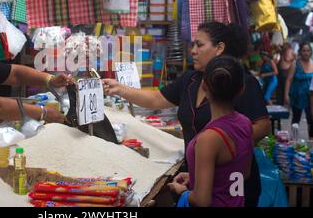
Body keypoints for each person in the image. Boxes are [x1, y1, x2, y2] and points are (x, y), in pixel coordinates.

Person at [103, 22, 270, 207]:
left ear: (219, 48)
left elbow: (262, 127)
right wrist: (120, 89)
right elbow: (157, 98)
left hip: (233, 187)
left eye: (199, 45)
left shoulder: (240, 81)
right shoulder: (191, 79)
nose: (193, 51)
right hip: (202, 179)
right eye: (192, 45)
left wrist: (220, 149)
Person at [168, 56, 253, 207]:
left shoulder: (209, 139)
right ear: (242, 90)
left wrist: (182, 191)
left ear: (204, 87)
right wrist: (196, 176)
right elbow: (242, 173)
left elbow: (202, 201)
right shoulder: (246, 123)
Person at [285, 42, 313, 138]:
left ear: (311, 52)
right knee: (296, 119)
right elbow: (289, 80)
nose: (306, 53)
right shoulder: (295, 64)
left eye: (308, 50)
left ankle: (311, 140)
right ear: (300, 52)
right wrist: (286, 95)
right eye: (304, 50)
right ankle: (294, 140)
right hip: (296, 96)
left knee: (311, 119)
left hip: (310, 97)